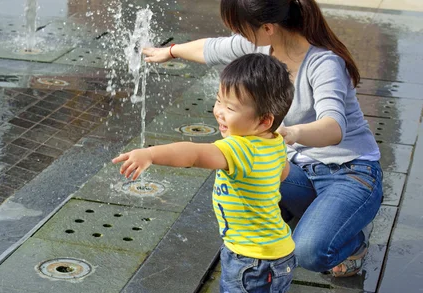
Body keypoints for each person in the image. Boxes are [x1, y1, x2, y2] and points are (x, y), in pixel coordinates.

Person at [143, 0, 383, 278]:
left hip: (350, 172)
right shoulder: (259, 45)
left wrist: (292, 133)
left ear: (268, 27)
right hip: (297, 168)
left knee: (309, 251)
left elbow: (333, 127)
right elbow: (211, 48)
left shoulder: (324, 63)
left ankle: (352, 242)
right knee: (235, 166)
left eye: (241, 30)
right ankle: (315, 215)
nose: (238, 37)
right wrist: (170, 52)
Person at [113, 53, 299, 293]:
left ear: (263, 121)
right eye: (218, 101)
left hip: (258, 256)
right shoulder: (273, 143)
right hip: (255, 249)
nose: (218, 112)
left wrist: (151, 154)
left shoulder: (238, 149)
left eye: (230, 107)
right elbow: (284, 172)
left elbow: (195, 154)